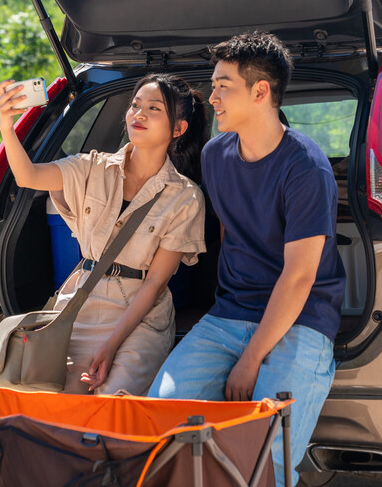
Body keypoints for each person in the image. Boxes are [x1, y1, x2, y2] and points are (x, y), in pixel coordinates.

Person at [148, 32, 345, 486]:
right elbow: (229, 234)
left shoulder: (306, 168)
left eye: (223, 86)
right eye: (213, 85)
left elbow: (299, 278)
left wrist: (251, 358)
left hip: (301, 322)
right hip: (228, 316)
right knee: (161, 423)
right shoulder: (216, 155)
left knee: (267, 456)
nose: (211, 96)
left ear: (260, 92)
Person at [0, 73, 208, 395]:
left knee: (114, 401)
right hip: (80, 302)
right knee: (58, 402)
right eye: (135, 105)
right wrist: (7, 128)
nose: (139, 114)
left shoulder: (186, 197)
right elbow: (27, 176)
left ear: (178, 128)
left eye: (154, 109)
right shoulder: (89, 167)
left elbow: (155, 283)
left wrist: (110, 347)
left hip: (139, 316)